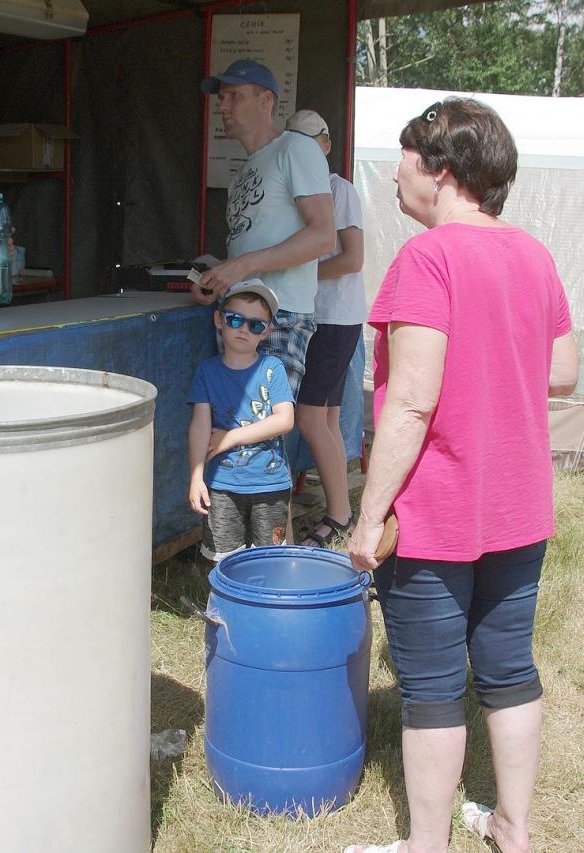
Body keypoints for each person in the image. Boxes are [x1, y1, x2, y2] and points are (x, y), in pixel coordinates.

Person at [343, 98, 578, 853]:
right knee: (509, 670)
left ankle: (426, 845)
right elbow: (565, 370)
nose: (396, 176)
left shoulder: (427, 258)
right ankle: (513, 828)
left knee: (434, 688)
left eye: (405, 160)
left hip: (436, 513)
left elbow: (410, 403)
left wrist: (368, 516)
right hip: (519, 505)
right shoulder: (534, 254)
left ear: (441, 171)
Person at [194, 59, 335, 398]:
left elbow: (323, 236)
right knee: (234, 421)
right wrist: (217, 278)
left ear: (266, 100)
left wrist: (241, 267)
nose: (223, 107)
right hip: (237, 312)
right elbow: (253, 248)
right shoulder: (242, 173)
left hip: (278, 315)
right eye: (221, 98)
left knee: (262, 423)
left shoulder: (296, 147)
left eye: (235, 96)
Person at [283, 109, 367, 549]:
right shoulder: (294, 193)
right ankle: (340, 512)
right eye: (293, 144)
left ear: (327, 145)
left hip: (334, 318)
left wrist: (296, 274)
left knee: (310, 417)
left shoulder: (339, 189)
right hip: (316, 316)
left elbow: (353, 258)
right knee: (326, 417)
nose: (303, 153)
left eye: (310, 143)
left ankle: (340, 513)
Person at [188, 280, 295, 563]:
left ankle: (270, 594)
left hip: (270, 485)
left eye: (256, 325)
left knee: (271, 560)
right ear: (219, 319)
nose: (244, 329)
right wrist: (196, 477)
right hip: (221, 485)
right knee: (223, 561)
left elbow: (285, 420)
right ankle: (226, 595)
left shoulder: (272, 368)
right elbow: (199, 425)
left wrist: (231, 437)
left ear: (266, 331)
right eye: (235, 319)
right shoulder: (207, 371)